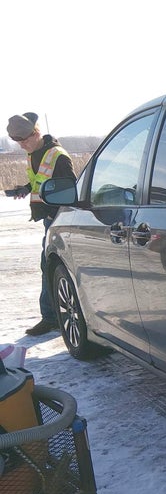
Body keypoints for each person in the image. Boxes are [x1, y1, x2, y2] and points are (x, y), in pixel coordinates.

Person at [5, 113, 77, 336]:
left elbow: (71, 188)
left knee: (51, 267)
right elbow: (40, 180)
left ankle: (51, 317)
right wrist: (25, 189)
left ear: (36, 133)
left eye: (25, 140)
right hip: (49, 218)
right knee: (48, 267)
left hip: (60, 219)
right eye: (18, 142)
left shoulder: (58, 156)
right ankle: (51, 316)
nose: (22, 145)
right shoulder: (34, 153)